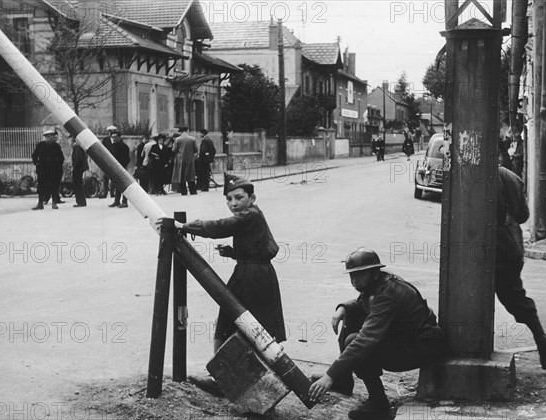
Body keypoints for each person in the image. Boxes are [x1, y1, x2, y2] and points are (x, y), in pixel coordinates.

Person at [162, 174, 286, 395]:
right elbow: (255, 245)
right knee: (240, 324)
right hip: (253, 272)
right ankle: (229, 377)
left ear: (252, 198)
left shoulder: (250, 214)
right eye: (228, 199)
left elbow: (219, 227)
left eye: (238, 197)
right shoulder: (251, 215)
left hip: (253, 277)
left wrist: (186, 226)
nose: (233, 203)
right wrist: (232, 252)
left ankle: (224, 380)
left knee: (238, 325)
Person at [309, 247, 445, 420]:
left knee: (355, 341)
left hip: (422, 346)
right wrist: (343, 308)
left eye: (359, 274)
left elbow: (367, 339)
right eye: (352, 275)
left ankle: (378, 403)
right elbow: (363, 304)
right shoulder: (378, 282)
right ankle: (343, 380)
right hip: (407, 338)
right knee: (352, 315)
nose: (354, 280)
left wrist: (329, 375)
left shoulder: (389, 291)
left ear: (374, 272)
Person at [496, 166, 546, 370]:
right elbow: (523, 215)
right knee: (515, 296)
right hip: (513, 246)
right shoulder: (512, 177)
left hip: (494, 247)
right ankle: (540, 337)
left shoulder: (480, 178)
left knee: (480, 297)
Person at [31, 128, 64, 210]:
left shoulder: (56, 146)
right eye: (46, 137)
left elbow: (61, 158)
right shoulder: (40, 145)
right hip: (42, 170)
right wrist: (36, 163)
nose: (48, 138)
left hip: (53, 170)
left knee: (54, 187)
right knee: (41, 187)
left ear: (52, 137)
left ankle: (54, 203)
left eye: (50, 137)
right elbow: (34, 155)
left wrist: (57, 166)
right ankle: (40, 203)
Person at [171, 127, 198, 195]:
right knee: (191, 176)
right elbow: (196, 150)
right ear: (187, 131)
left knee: (181, 175)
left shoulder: (177, 139)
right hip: (190, 159)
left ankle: (184, 191)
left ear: (180, 132)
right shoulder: (192, 139)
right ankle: (193, 191)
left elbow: (174, 150)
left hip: (180, 160)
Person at [108, 129, 130, 208]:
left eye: (115, 137)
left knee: (124, 186)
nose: (113, 138)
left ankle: (124, 202)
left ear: (119, 137)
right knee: (117, 185)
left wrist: (121, 166)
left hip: (122, 168)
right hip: (115, 169)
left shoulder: (124, 147)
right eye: (112, 137)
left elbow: (127, 159)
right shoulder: (113, 146)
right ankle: (116, 201)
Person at [98, 125, 116, 198]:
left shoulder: (118, 139)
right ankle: (105, 192)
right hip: (106, 161)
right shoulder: (105, 140)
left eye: (112, 131)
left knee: (114, 178)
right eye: (110, 131)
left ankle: (112, 192)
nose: (111, 133)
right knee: (105, 177)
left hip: (114, 161)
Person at [71, 135, 88, 207]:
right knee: (79, 184)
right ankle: (82, 201)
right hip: (80, 168)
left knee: (77, 185)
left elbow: (78, 159)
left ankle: (80, 202)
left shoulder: (77, 147)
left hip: (77, 168)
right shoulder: (81, 147)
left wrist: (74, 167)